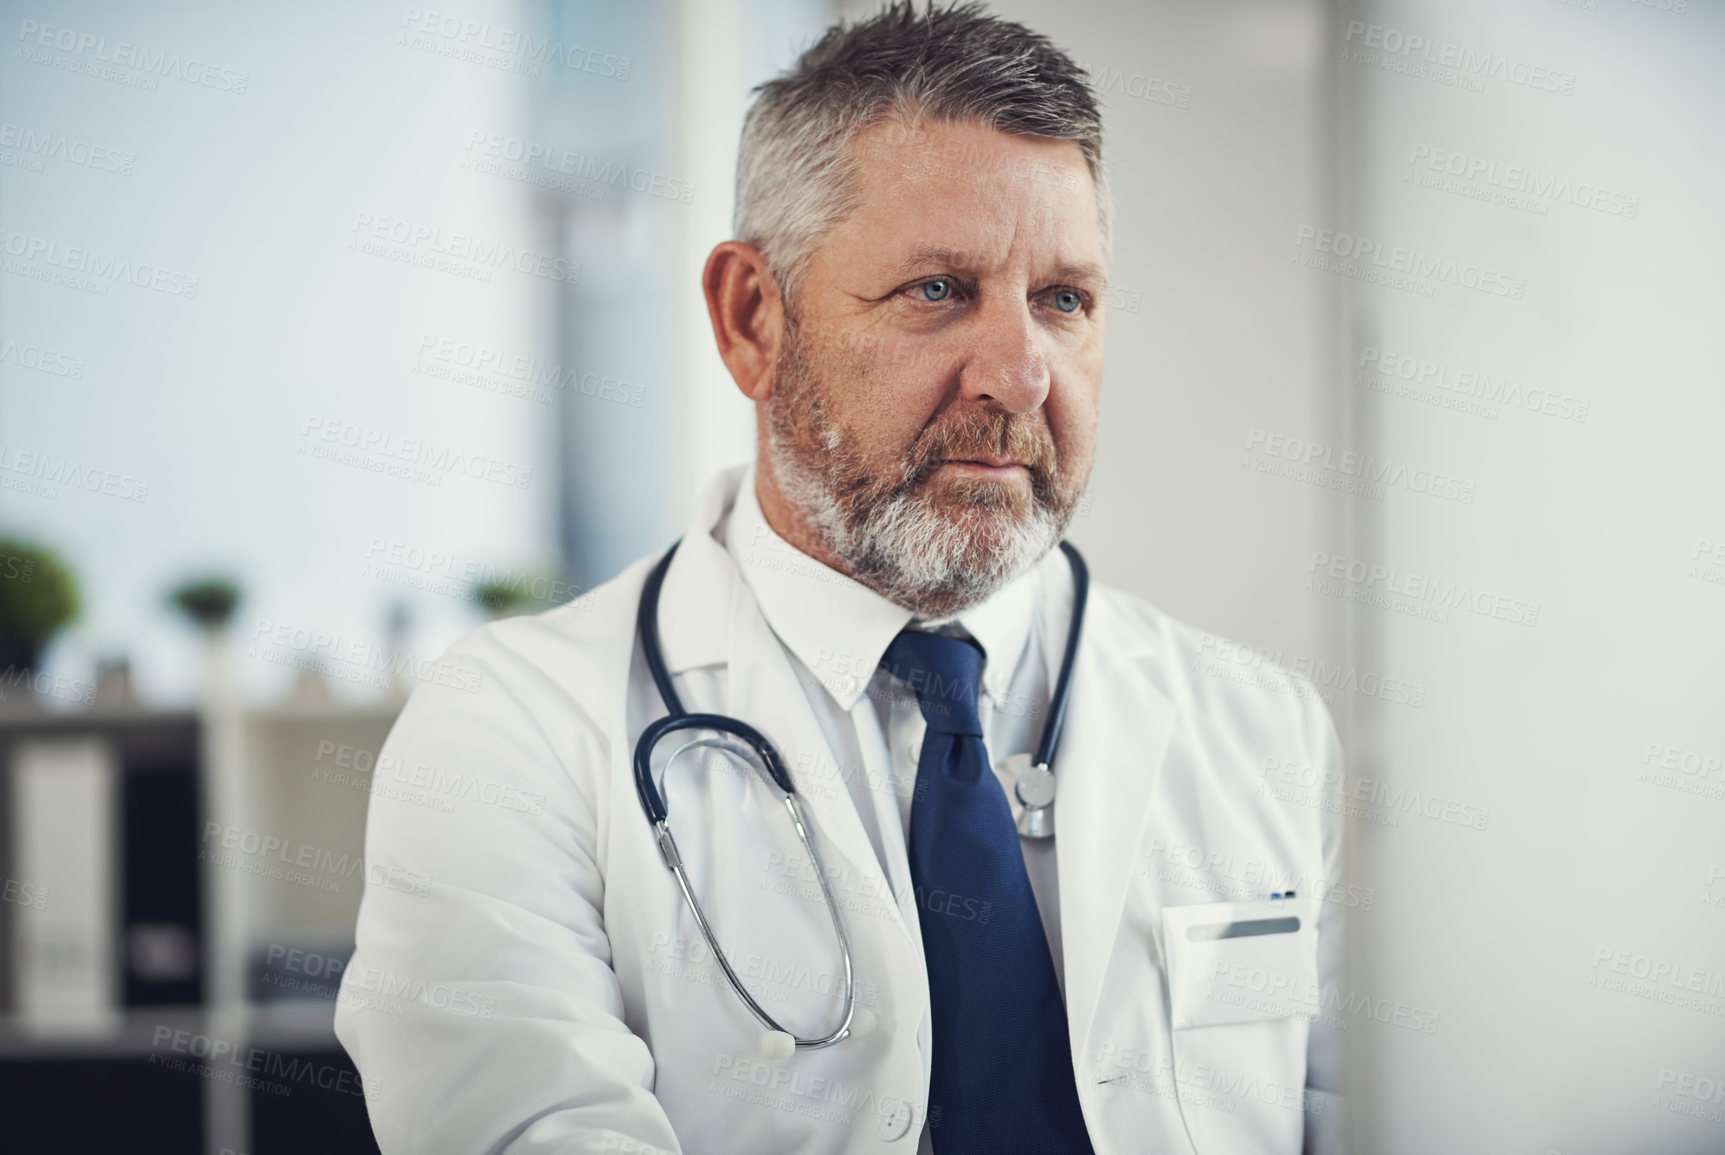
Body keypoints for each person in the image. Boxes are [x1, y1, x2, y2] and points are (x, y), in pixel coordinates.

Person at [335, 4, 1346, 1152]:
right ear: (752, 318)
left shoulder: (1264, 731)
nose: (1020, 376)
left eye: (1064, 299)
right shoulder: (511, 735)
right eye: (937, 291)